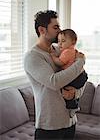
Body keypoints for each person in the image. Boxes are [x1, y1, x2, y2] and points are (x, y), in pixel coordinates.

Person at [24, 10, 86, 140]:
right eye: (55, 27)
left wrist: (76, 93)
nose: (60, 30)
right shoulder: (33, 56)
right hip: (49, 127)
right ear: (42, 30)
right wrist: (80, 61)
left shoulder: (60, 49)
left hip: (70, 122)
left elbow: (81, 76)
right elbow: (54, 82)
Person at [50, 29, 88, 117]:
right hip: (81, 75)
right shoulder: (72, 50)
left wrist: (53, 56)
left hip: (76, 77)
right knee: (71, 92)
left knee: (66, 90)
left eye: (63, 41)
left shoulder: (67, 52)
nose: (60, 44)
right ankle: (74, 106)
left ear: (73, 42)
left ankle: (73, 107)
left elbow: (60, 62)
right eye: (59, 41)